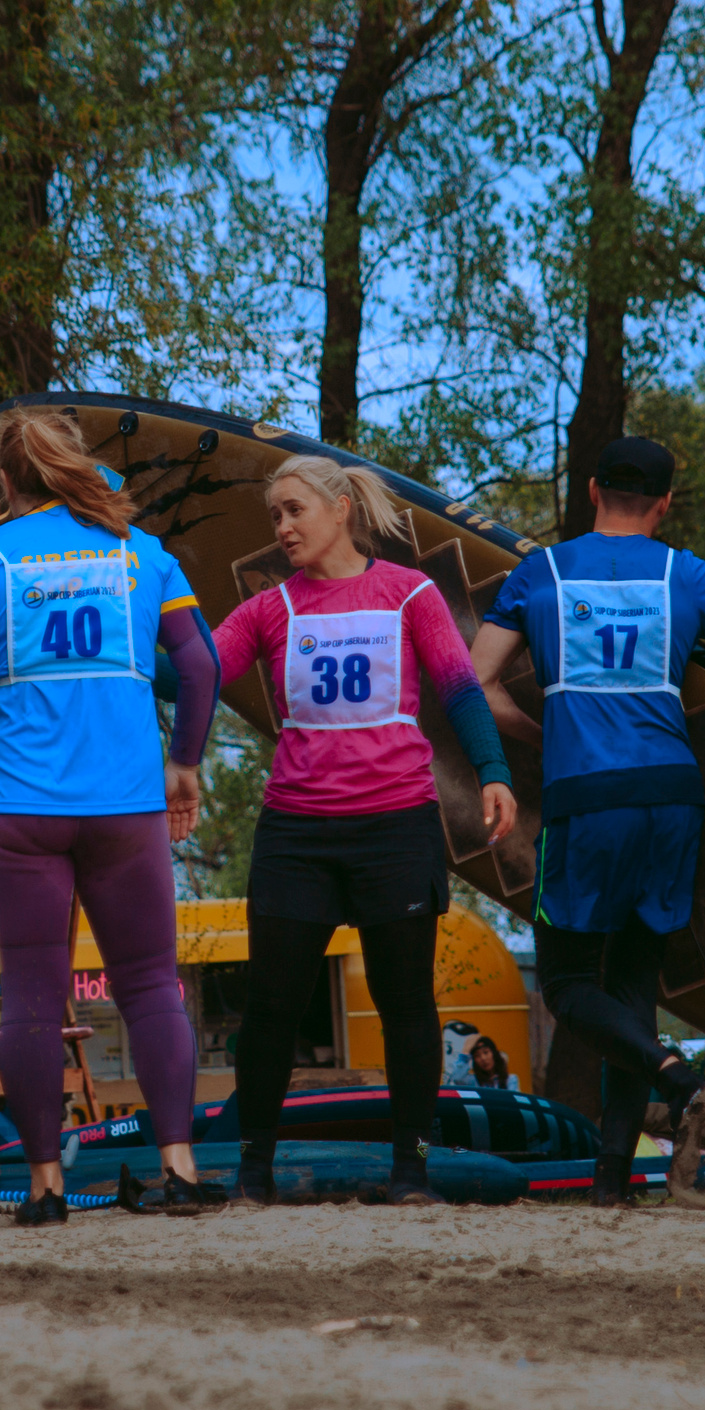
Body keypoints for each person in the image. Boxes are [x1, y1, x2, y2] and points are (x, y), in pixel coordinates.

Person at [0, 408, 221, 1226]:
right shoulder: (140, 555)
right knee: (149, 986)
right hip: (125, 807)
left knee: (34, 995)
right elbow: (202, 666)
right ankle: (179, 1168)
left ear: (6, 482)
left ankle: (44, 1186)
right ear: (75, 465)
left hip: (20, 809)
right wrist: (184, 760)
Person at [470, 436, 705, 1206]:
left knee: (564, 984)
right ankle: (613, 1185)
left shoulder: (543, 572)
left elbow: (475, 679)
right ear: (662, 504)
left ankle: (678, 1076)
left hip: (588, 798)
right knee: (630, 989)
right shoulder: (682, 572)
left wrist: (540, 730)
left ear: (592, 490)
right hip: (671, 800)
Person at [212, 455, 515, 1206]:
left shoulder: (409, 593)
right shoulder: (268, 609)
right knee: (272, 1006)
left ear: (341, 507)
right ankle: (253, 1175)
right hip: (297, 832)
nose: (282, 527)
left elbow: (459, 686)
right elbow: (190, 674)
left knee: (404, 1002)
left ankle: (411, 1173)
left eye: (294, 510)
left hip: (395, 827)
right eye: (274, 515)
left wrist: (493, 771)